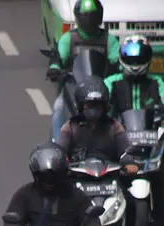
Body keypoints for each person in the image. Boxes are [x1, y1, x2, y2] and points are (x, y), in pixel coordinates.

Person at [103, 34, 164, 226]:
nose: (135, 64)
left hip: (149, 134)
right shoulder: (111, 81)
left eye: (139, 59)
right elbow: (102, 102)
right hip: (120, 134)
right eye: (131, 59)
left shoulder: (156, 82)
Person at [46, 0, 120, 139]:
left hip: (103, 88)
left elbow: (117, 60)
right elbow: (58, 57)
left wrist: (119, 69)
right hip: (73, 88)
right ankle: (58, 145)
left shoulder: (109, 40)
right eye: (85, 16)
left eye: (92, 16)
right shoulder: (68, 38)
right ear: (78, 17)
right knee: (59, 108)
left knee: (119, 108)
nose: (89, 20)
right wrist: (55, 68)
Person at [56, 78, 139, 174]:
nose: (93, 109)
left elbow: (125, 151)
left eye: (97, 105)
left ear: (104, 106)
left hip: (109, 178)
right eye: (89, 105)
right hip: (77, 178)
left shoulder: (114, 126)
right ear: (80, 105)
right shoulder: (70, 127)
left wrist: (129, 162)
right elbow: (62, 153)